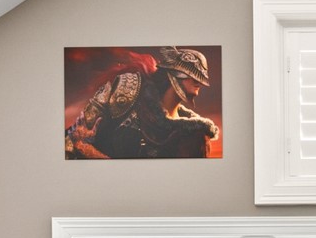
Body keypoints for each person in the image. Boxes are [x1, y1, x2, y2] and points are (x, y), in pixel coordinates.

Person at [68, 47, 220, 159]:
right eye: (191, 73)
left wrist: (84, 147)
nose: (199, 81)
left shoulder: (195, 135)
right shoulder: (128, 90)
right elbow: (70, 140)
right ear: (173, 72)